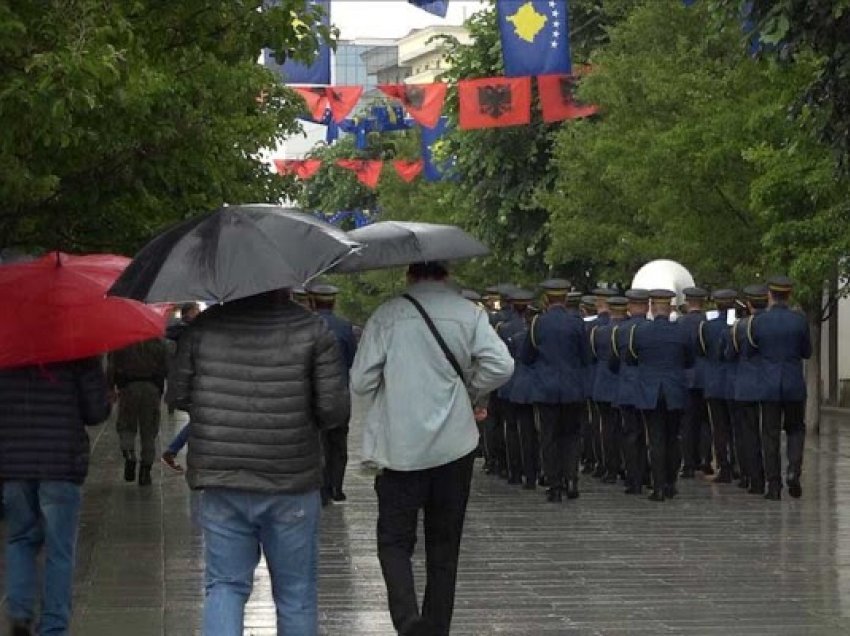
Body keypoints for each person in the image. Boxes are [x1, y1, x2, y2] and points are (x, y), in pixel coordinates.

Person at [170, 287, 349, 635]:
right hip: (292, 478)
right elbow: (334, 411)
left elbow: (178, 394)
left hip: (221, 476)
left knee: (225, 586)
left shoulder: (204, 328)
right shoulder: (312, 329)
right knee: (296, 596)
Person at [351, 261, 513, 636]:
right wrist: (471, 390)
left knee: (394, 541)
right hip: (454, 447)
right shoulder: (468, 314)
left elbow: (360, 382)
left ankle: (408, 622)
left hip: (400, 449)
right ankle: (437, 627)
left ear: (409, 274)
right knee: (445, 545)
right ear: (447, 273)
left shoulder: (387, 314)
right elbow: (501, 366)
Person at [0, 357, 110, 635]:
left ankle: (20, 614)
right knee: (60, 549)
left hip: (14, 462)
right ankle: (53, 626)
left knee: (20, 539)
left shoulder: (7, 345)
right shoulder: (78, 349)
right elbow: (96, 412)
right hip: (60, 462)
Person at [521, 279, 590, 503]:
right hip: (572, 387)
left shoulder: (538, 323)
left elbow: (526, 356)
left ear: (546, 299)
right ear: (566, 298)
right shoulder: (577, 323)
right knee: (571, 436)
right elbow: (586, 356)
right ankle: (571, 479)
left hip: (546, 388)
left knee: (549, 437)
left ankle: (554, 485)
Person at [628, 289, 694, 501]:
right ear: (670, 308)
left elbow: (631, 357)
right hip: (675, 389)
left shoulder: (640, 331)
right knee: (673, 438)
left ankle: (657, 486)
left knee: (655, 439)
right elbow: (690, 360)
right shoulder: (682, 332)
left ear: (651, 308)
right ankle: (670, 483)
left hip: (650, 391)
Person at [751, 275, 812, 500]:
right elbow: (807, 351)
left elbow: (753, 350)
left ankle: (773, 485)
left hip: (768, 384)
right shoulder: (799, 320)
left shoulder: (758, 322)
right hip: (793, 383)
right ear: (789, 295)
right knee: (796, 429)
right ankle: (794, 470)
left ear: (770, 295)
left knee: (770, 434)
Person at [308, 282, 358, 503]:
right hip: (339, 392)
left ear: (311, 301)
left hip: (310, 393)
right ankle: (336, 486)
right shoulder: (345, 327)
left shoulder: (305, 326)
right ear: (334, 302)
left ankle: (319, 488)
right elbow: (351, 360)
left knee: (316, 442)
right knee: (338, 442)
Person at [107, 338, 168, 486]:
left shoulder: (121, 341)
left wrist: (110, 388)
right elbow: (166, 368)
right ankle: (145, 473)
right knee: (149, 432)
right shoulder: (158, 343)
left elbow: (111, 367)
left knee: (126, 426)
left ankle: (129, 454)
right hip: (152, 389)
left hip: (128, 388)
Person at [729, 284, 769, 495]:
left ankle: (754, 479)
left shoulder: (740, 327)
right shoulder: (772, 325)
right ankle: (772, 477)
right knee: (768, 434)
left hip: (746, 387)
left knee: (749, 435)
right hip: (769, 385)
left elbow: (729, 354)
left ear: (748, 304)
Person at [611, 289, 651, 495]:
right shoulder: (652, 329)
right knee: (651, 433)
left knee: (631, 434)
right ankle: (650, 475)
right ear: (647, 307)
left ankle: (633, 478)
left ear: (630, 306)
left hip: (627, 387)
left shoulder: (620, 330)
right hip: (649, 388)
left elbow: (613, 360)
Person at [495, 288, 535, 485]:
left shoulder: (503, 328)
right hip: (531, 383)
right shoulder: (535, 326)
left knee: (511, 428)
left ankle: (514, 471)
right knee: (530, 430)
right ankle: (532, 472)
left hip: (510, 382)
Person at [700, 289, 739, 483]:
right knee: (737, 426)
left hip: (715, 382)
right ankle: (740, 465)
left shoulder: (707, 326)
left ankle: (724, 467)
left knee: (719, 428)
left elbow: (702, 350)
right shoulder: (739, 325)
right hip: (734, 382)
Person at [590, 296, 629, 483]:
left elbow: (593, 356)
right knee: (628, 427)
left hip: (604, 382)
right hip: (626, 383)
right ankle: (629, 465)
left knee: (606, 428)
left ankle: (609, 466)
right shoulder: (631, 330)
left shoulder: (599, 332)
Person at [161, 302, 201, 472]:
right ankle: (172, 451)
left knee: (198, 420)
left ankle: (173, 451)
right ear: (188, 313)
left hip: (186, 382)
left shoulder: (182, 330)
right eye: (196, 311)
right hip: (188, 383)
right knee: (200, 419)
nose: (199, 314)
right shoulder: (184, 330)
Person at [678, 287, 712, 478]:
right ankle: (705, 459)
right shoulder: (707, 322)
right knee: (705, 421)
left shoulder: (681, 323)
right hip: (706, 376)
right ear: (703, 302)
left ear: (687, 301)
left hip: (687, 376)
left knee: (688, 422)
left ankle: (689, 463)